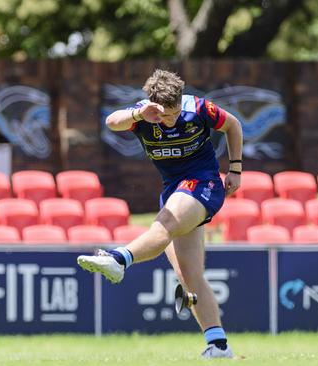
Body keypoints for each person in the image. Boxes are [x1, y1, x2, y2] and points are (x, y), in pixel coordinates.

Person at [77, 69, 243, 359]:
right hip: (174, 190)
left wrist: (236, 169)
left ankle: (119, 259)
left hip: (203, 184)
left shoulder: (199, 109)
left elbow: (233, 125)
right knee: (188, 275)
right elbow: (111, 121)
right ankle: (218, 345)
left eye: (175, 112)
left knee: (164, 223)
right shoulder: (141, 115)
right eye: (165, 114)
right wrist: (140, 115)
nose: (171, 119)